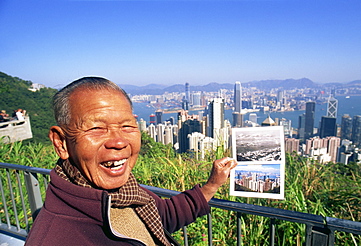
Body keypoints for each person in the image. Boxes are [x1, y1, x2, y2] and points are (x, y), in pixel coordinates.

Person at [25, 77, 237, 246]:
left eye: (127, 126)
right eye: (97, 128)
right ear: (61, 143)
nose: (118, 142)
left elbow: (164, 217)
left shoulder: (127, 194)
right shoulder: (55, 238)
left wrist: (213, 184)